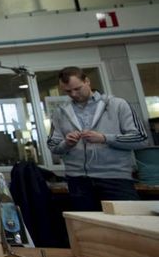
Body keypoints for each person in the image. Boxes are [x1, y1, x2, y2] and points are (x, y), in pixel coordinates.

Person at [47, 66, 148, 211]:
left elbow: (141, 138)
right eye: (68, 91)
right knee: (87, 229)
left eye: (77, 88)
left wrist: (105, 138)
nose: (74, 94)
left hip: (116, 179)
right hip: (78, 181)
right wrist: (66, 143)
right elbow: (52, 145)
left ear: (87, 81)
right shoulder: (60, 112)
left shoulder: (117, 105)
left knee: (125, 227)